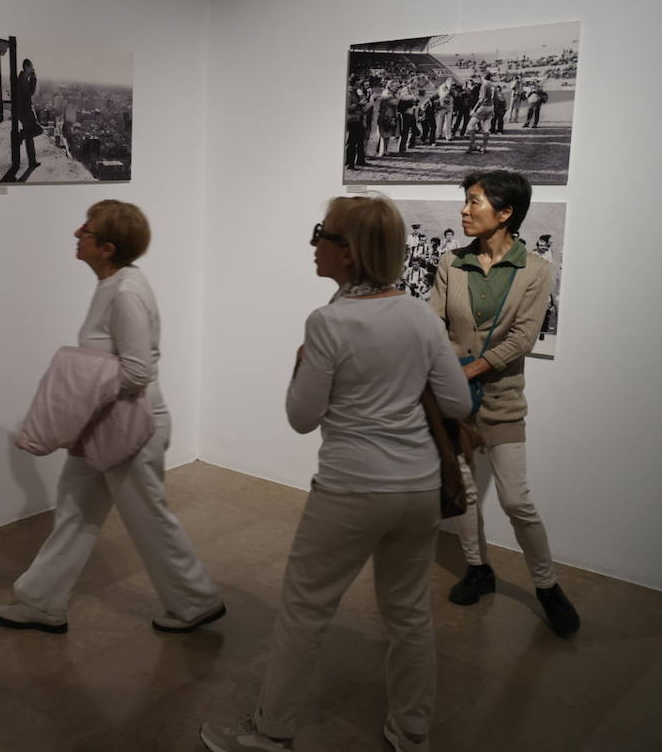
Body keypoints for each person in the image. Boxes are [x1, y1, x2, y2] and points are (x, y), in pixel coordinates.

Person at [200, 195, 472, 752]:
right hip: (418, 487)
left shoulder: (328, 322)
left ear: (349, 255)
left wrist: (302, 363)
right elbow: (458, 403)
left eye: (321, 233)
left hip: (351, 487)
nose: (313, 243)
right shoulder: (419, 314)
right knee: (410, 613)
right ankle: (412, 730)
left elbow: (302, 419)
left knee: (304, 609)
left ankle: (272, 731)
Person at [0, 200, 224, 637]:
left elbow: (137, 370)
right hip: (105, 420)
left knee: (147, 515)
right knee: (76, 508)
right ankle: (42, 601)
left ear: (106, 247)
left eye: (87, 230)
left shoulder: (124, 293)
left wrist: (76, 383)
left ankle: (195, 600)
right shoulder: (114, 283)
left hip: (131, 423)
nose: (77, 233)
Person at [431, 171, 580, 637]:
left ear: (506, 212)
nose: (464, 210)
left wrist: (467, 370)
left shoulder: (534, 270)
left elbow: (523, 337)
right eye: (466, 201)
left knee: (518, 501)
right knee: (467, 496)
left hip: (502, 401)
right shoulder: (449, 262)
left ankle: (547, 586)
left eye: (474, 202)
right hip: (454, 402)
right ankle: (478, 569)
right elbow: (433, 322)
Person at [11, 58, 42, 173]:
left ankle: (32, 161)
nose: (32, 69)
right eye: (31, 67)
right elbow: (30, 93)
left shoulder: (23, 78)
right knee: (38, 130)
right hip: (25, 113)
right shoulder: (23, 79)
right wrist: (34, 78)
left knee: (30, 137)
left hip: (23, 112)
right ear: (27, 67)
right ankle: (21, 136)